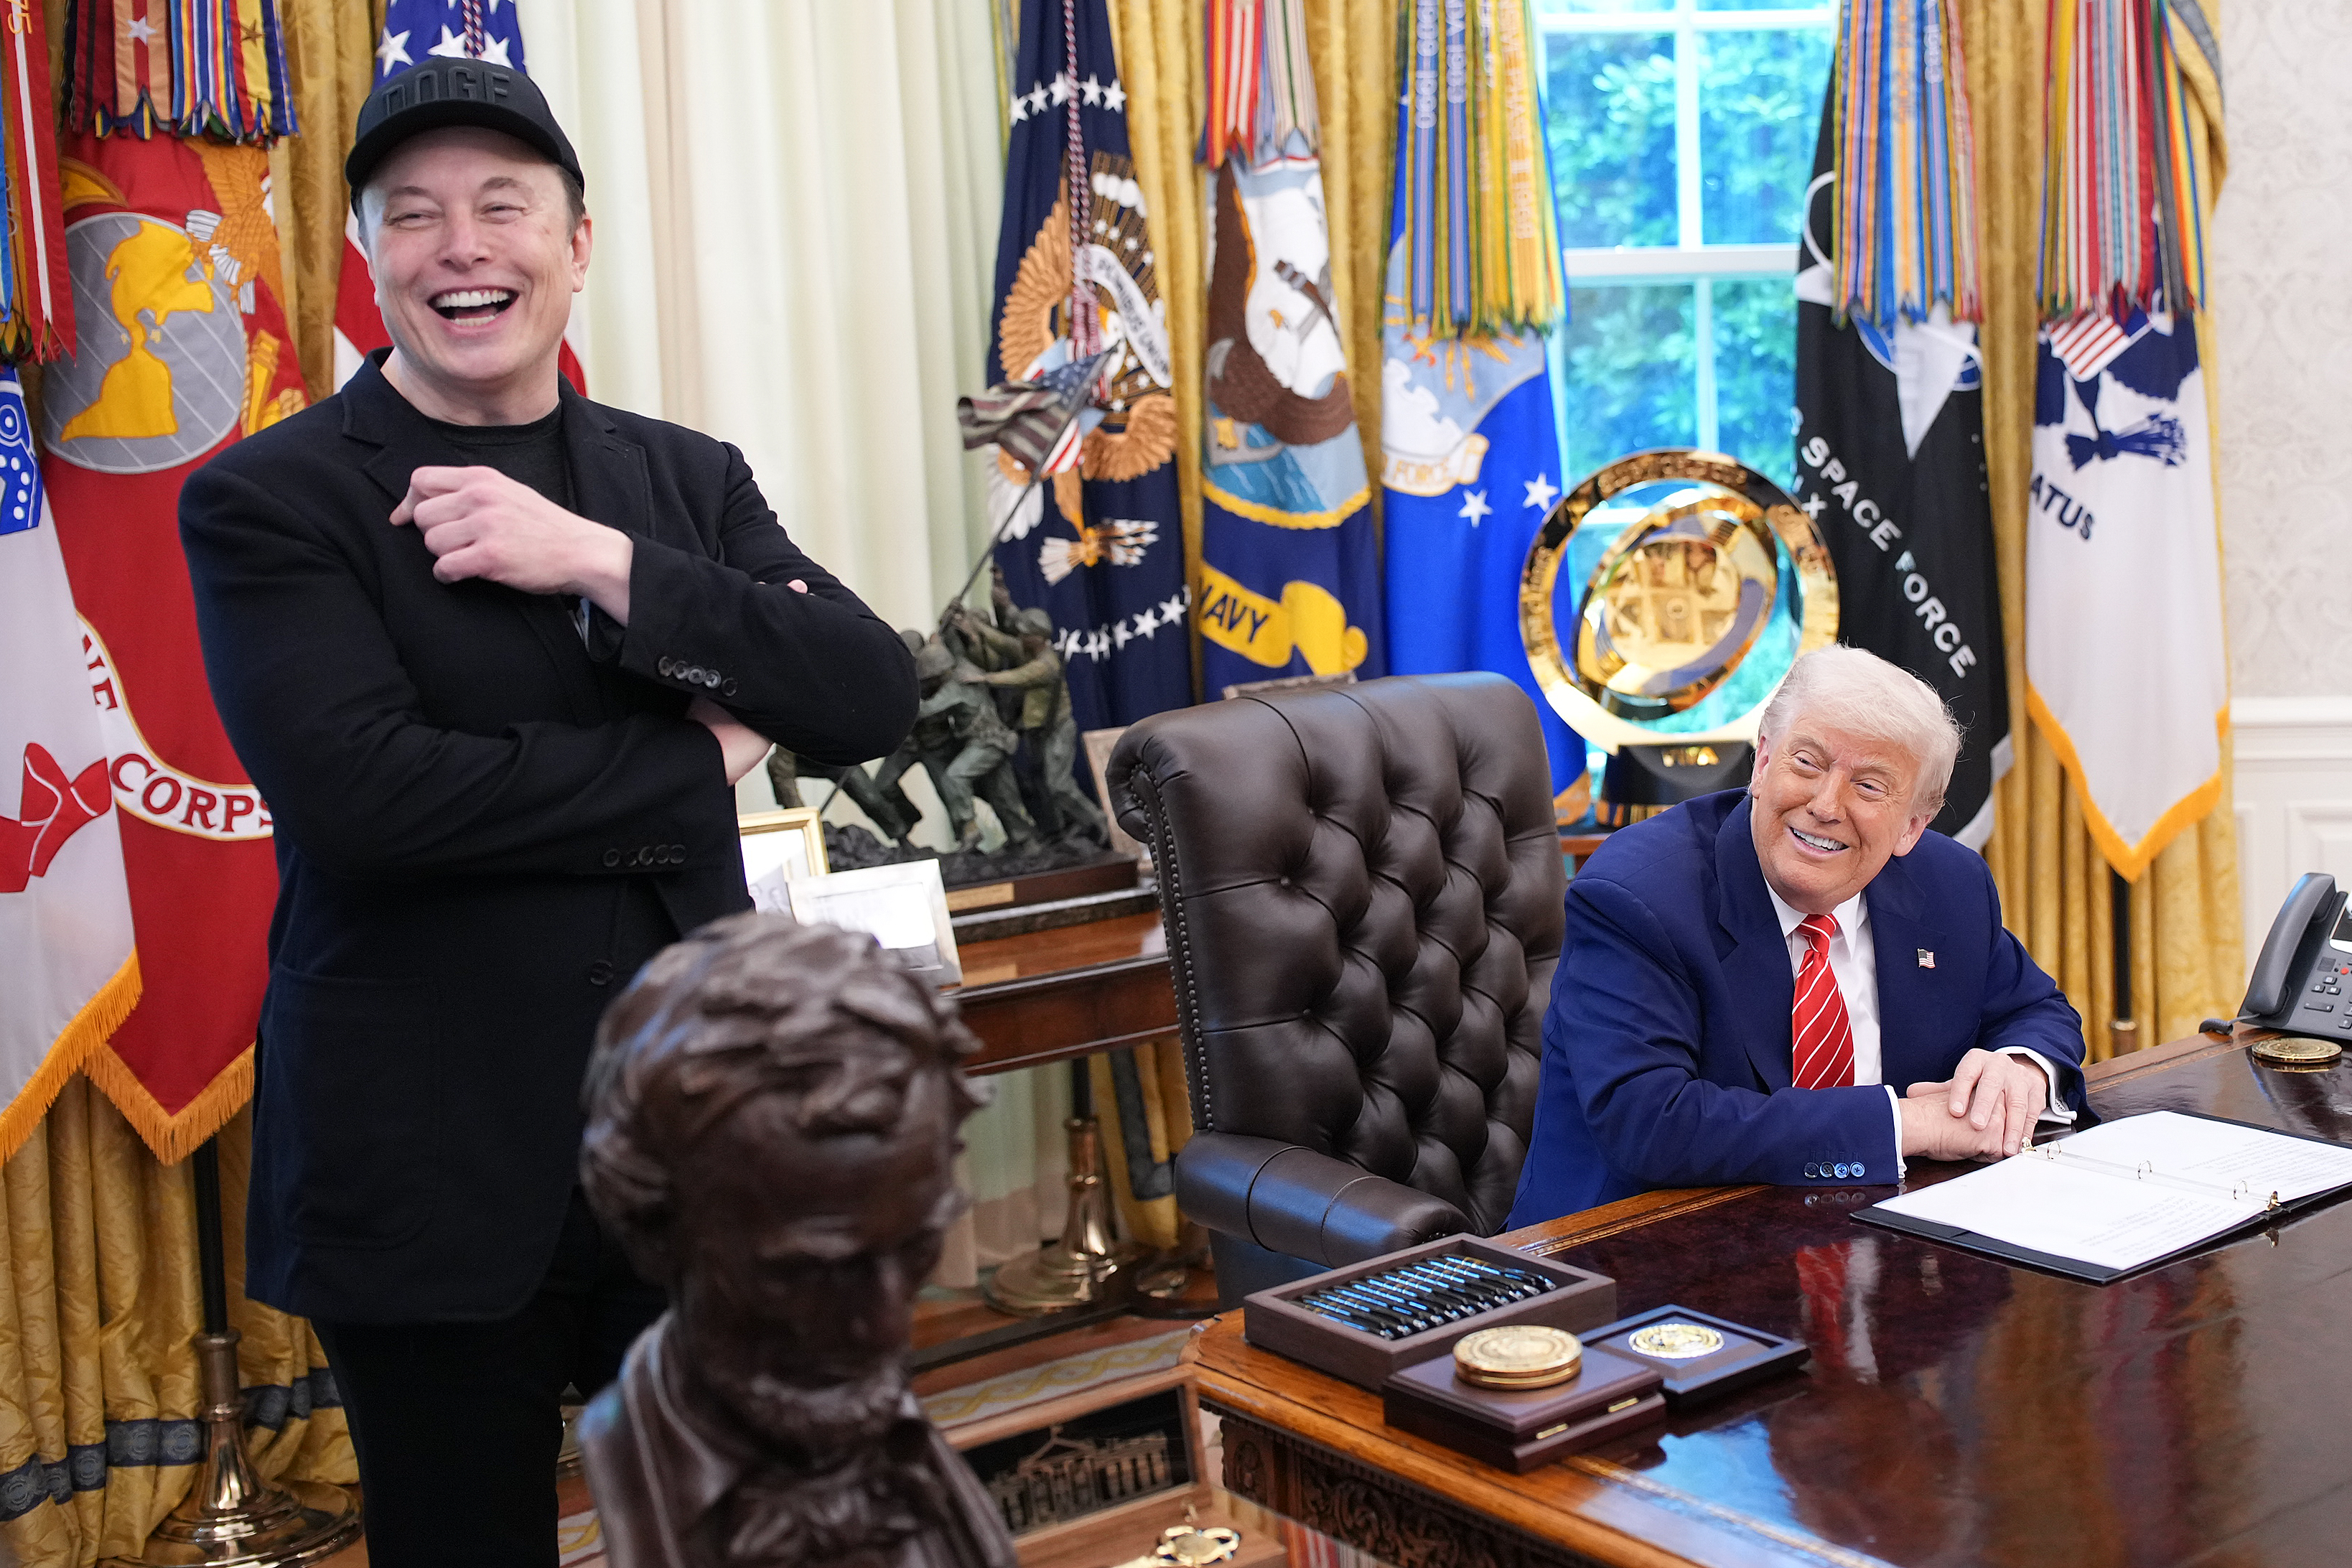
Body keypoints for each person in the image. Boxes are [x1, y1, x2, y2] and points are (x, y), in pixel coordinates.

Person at [177, 58, 917, 1568]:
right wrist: (694, 763)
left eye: (504, 207)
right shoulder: (274, 498)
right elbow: (368, 800)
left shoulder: (680, 481)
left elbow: (862, 695)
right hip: (431, 1166)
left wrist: (603, 564)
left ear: (576, 247)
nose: (465, 247)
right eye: (416, 215)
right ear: (369, 258)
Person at [1506, 645, 2086, 1228]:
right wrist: (1907, 1124)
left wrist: (2019, 1070)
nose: (1825, 805)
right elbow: (1652, 1123)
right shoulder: (1636, 897)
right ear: (1762, 764)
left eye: (1868, 786)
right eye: (1807, 763)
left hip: (1887, 1243)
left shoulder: (1950, 885)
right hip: (1640, 1256)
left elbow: (2036, 1009)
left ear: (1913, 824)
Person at [575, 913, 1014, 1568]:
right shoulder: (629, 1452)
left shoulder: (885, 1425)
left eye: (917, 1247)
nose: (888, 1326)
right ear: (655, 1233)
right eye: (810, 1275)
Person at [951, 605, 1106, 843]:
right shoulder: (1029, 651)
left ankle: (1095, 820)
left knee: (1058, 784)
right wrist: (972, 625)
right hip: (1039, 731)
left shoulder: (1046, 665)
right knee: (1043, 784)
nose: (1020, 637)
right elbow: (1002, 642)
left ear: (1039, 637)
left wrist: (984, 678)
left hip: (1058, 730)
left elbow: (1019, 677)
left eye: (1025, 634)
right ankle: (1060, 829)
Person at [907, 639, 1040, 851]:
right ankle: (1024, 840)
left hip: (987, 743)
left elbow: (925, 710)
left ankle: (970, 829)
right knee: (1003, 795)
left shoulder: (955, 687)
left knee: (954, 777)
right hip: (996, 741)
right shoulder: (965, 668)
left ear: (940, 674)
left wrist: (906, 694)